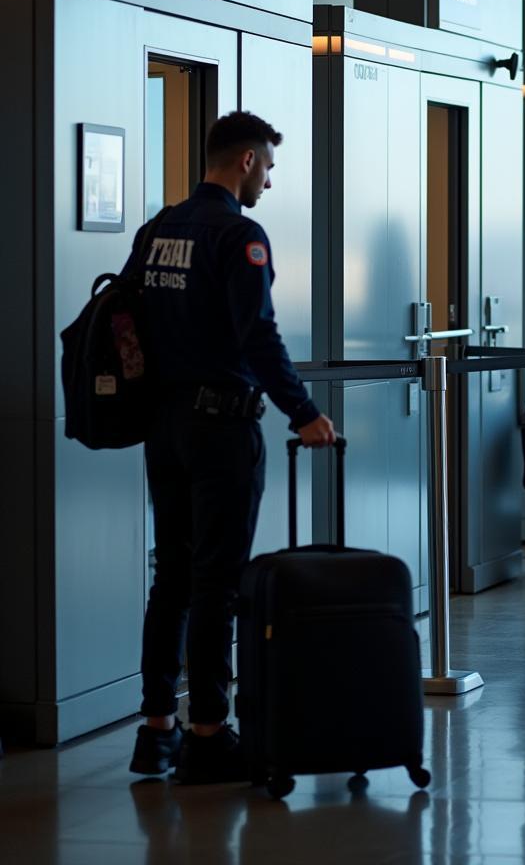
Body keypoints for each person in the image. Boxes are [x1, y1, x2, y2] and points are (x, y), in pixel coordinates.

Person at [128, 111, 336, 783]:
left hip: (163, 427)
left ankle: (157, 728)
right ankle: (210, 734)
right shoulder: (238, 235)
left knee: (173, 578)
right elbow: (259, 338)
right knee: (217, 582)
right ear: (245, 160)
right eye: (269, 167)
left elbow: (128, 318)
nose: (269, 182)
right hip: (221, 430)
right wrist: (303, 412)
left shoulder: (158, 230)